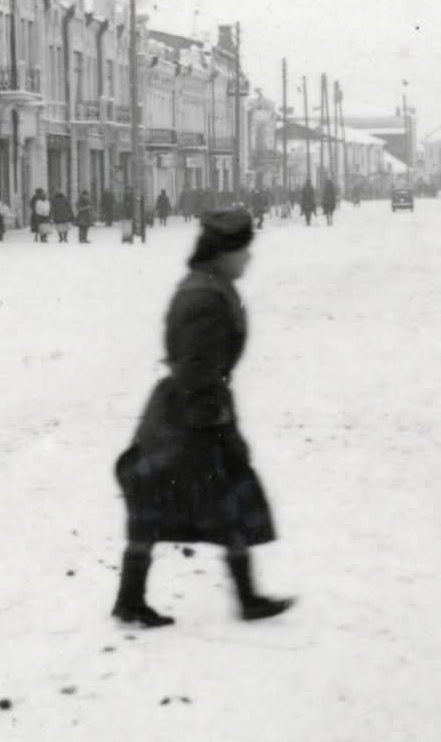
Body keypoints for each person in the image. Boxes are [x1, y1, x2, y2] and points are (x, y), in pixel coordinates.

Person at [111, 208, 296, 627]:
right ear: (222, 252)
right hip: (192, 417)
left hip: (193, 410)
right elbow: (196, 366)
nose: (248, 258)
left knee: (202, 501)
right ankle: (135, 599)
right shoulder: (205, 297)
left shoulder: (209, 286)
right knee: (195, 499)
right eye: (242, 251)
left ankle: (137, 598)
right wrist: (216, 419)